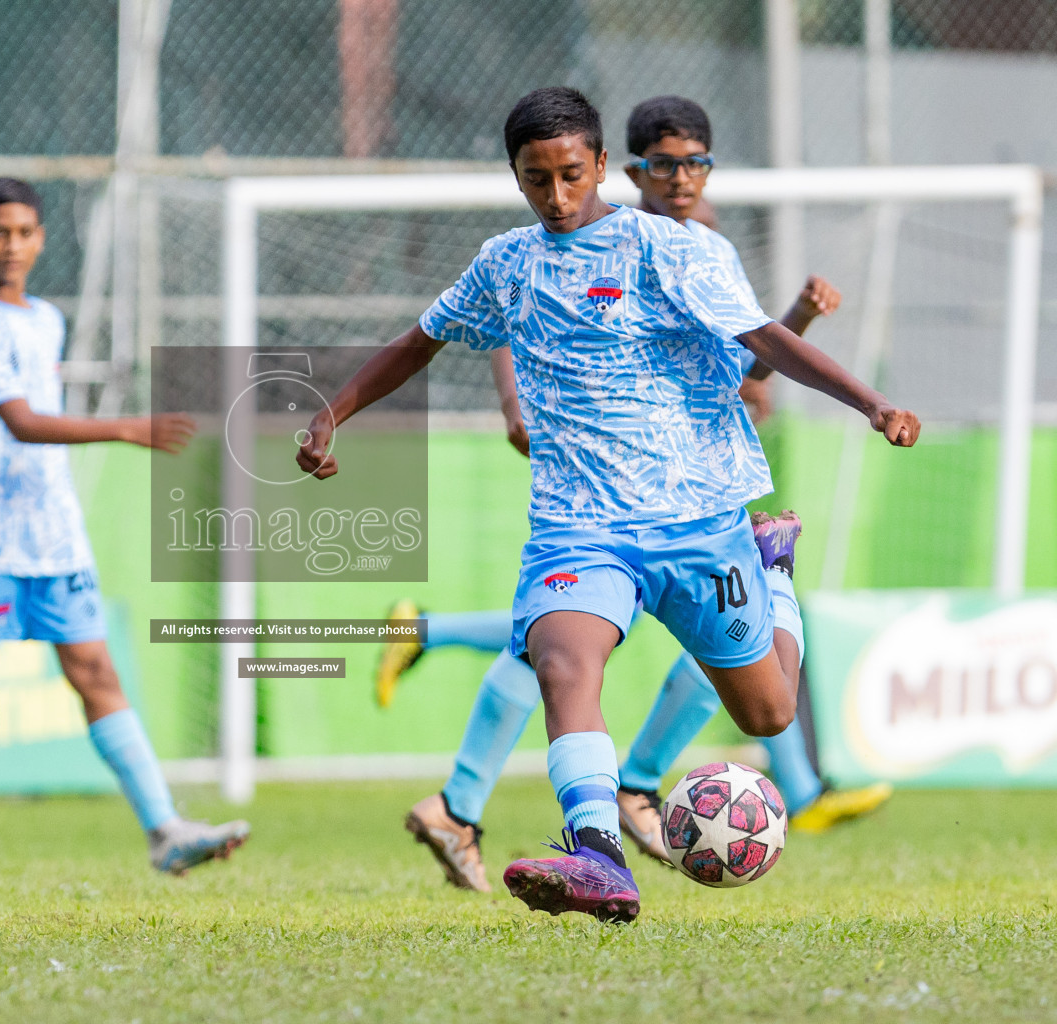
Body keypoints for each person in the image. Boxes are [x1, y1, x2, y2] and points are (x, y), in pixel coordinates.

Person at [296, 87, 919, 923]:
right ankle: (597, 855)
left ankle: (771, 577)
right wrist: (334, 413)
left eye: (570, 176)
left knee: (768, 710)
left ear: (599, 167)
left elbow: (765, 340)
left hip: (697, 518)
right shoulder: (505, 262)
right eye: (536, 180)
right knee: (559, 661)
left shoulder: (668, 251)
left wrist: (873, 404)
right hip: (578, 525)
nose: (556, 198)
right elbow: (421, 342)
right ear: (516, 176)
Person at [0, 177, 250, 876]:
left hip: (56, 538)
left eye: (24, 232)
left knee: (95, 672)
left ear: (41, 238)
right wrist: (124, 429)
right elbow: (20, 422)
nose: (12, 245)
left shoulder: (46, 319)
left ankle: (165, 829)